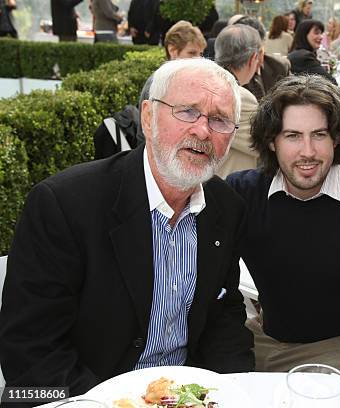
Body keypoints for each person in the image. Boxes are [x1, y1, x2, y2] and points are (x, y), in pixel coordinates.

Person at [0, 58, 255, 396]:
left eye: (220, 120)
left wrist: (233, 391)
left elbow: (223, 313)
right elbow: (29, 351)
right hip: (87, 396)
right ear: (148, 117)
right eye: (188, 112)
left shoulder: (226, 207)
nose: (203, 131)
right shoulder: (63, 205)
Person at [226, 75, 340, 375]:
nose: (308, 151)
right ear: (271, 142)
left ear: (336, 138)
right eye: (292, 136)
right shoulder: (243, 194)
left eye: (319, 135)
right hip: (265, 341)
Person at [214, 24, 262, 178]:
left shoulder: (206, 83)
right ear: (254, 58)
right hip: (227, 188)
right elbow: (262, 143)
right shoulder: (237, 96)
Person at [288, 19, 336, 84]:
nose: (321, 37)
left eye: (321, 33)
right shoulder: (304, 57)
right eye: (316, 33)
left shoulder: (297, 53)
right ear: (304, 35)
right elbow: (331, 82)